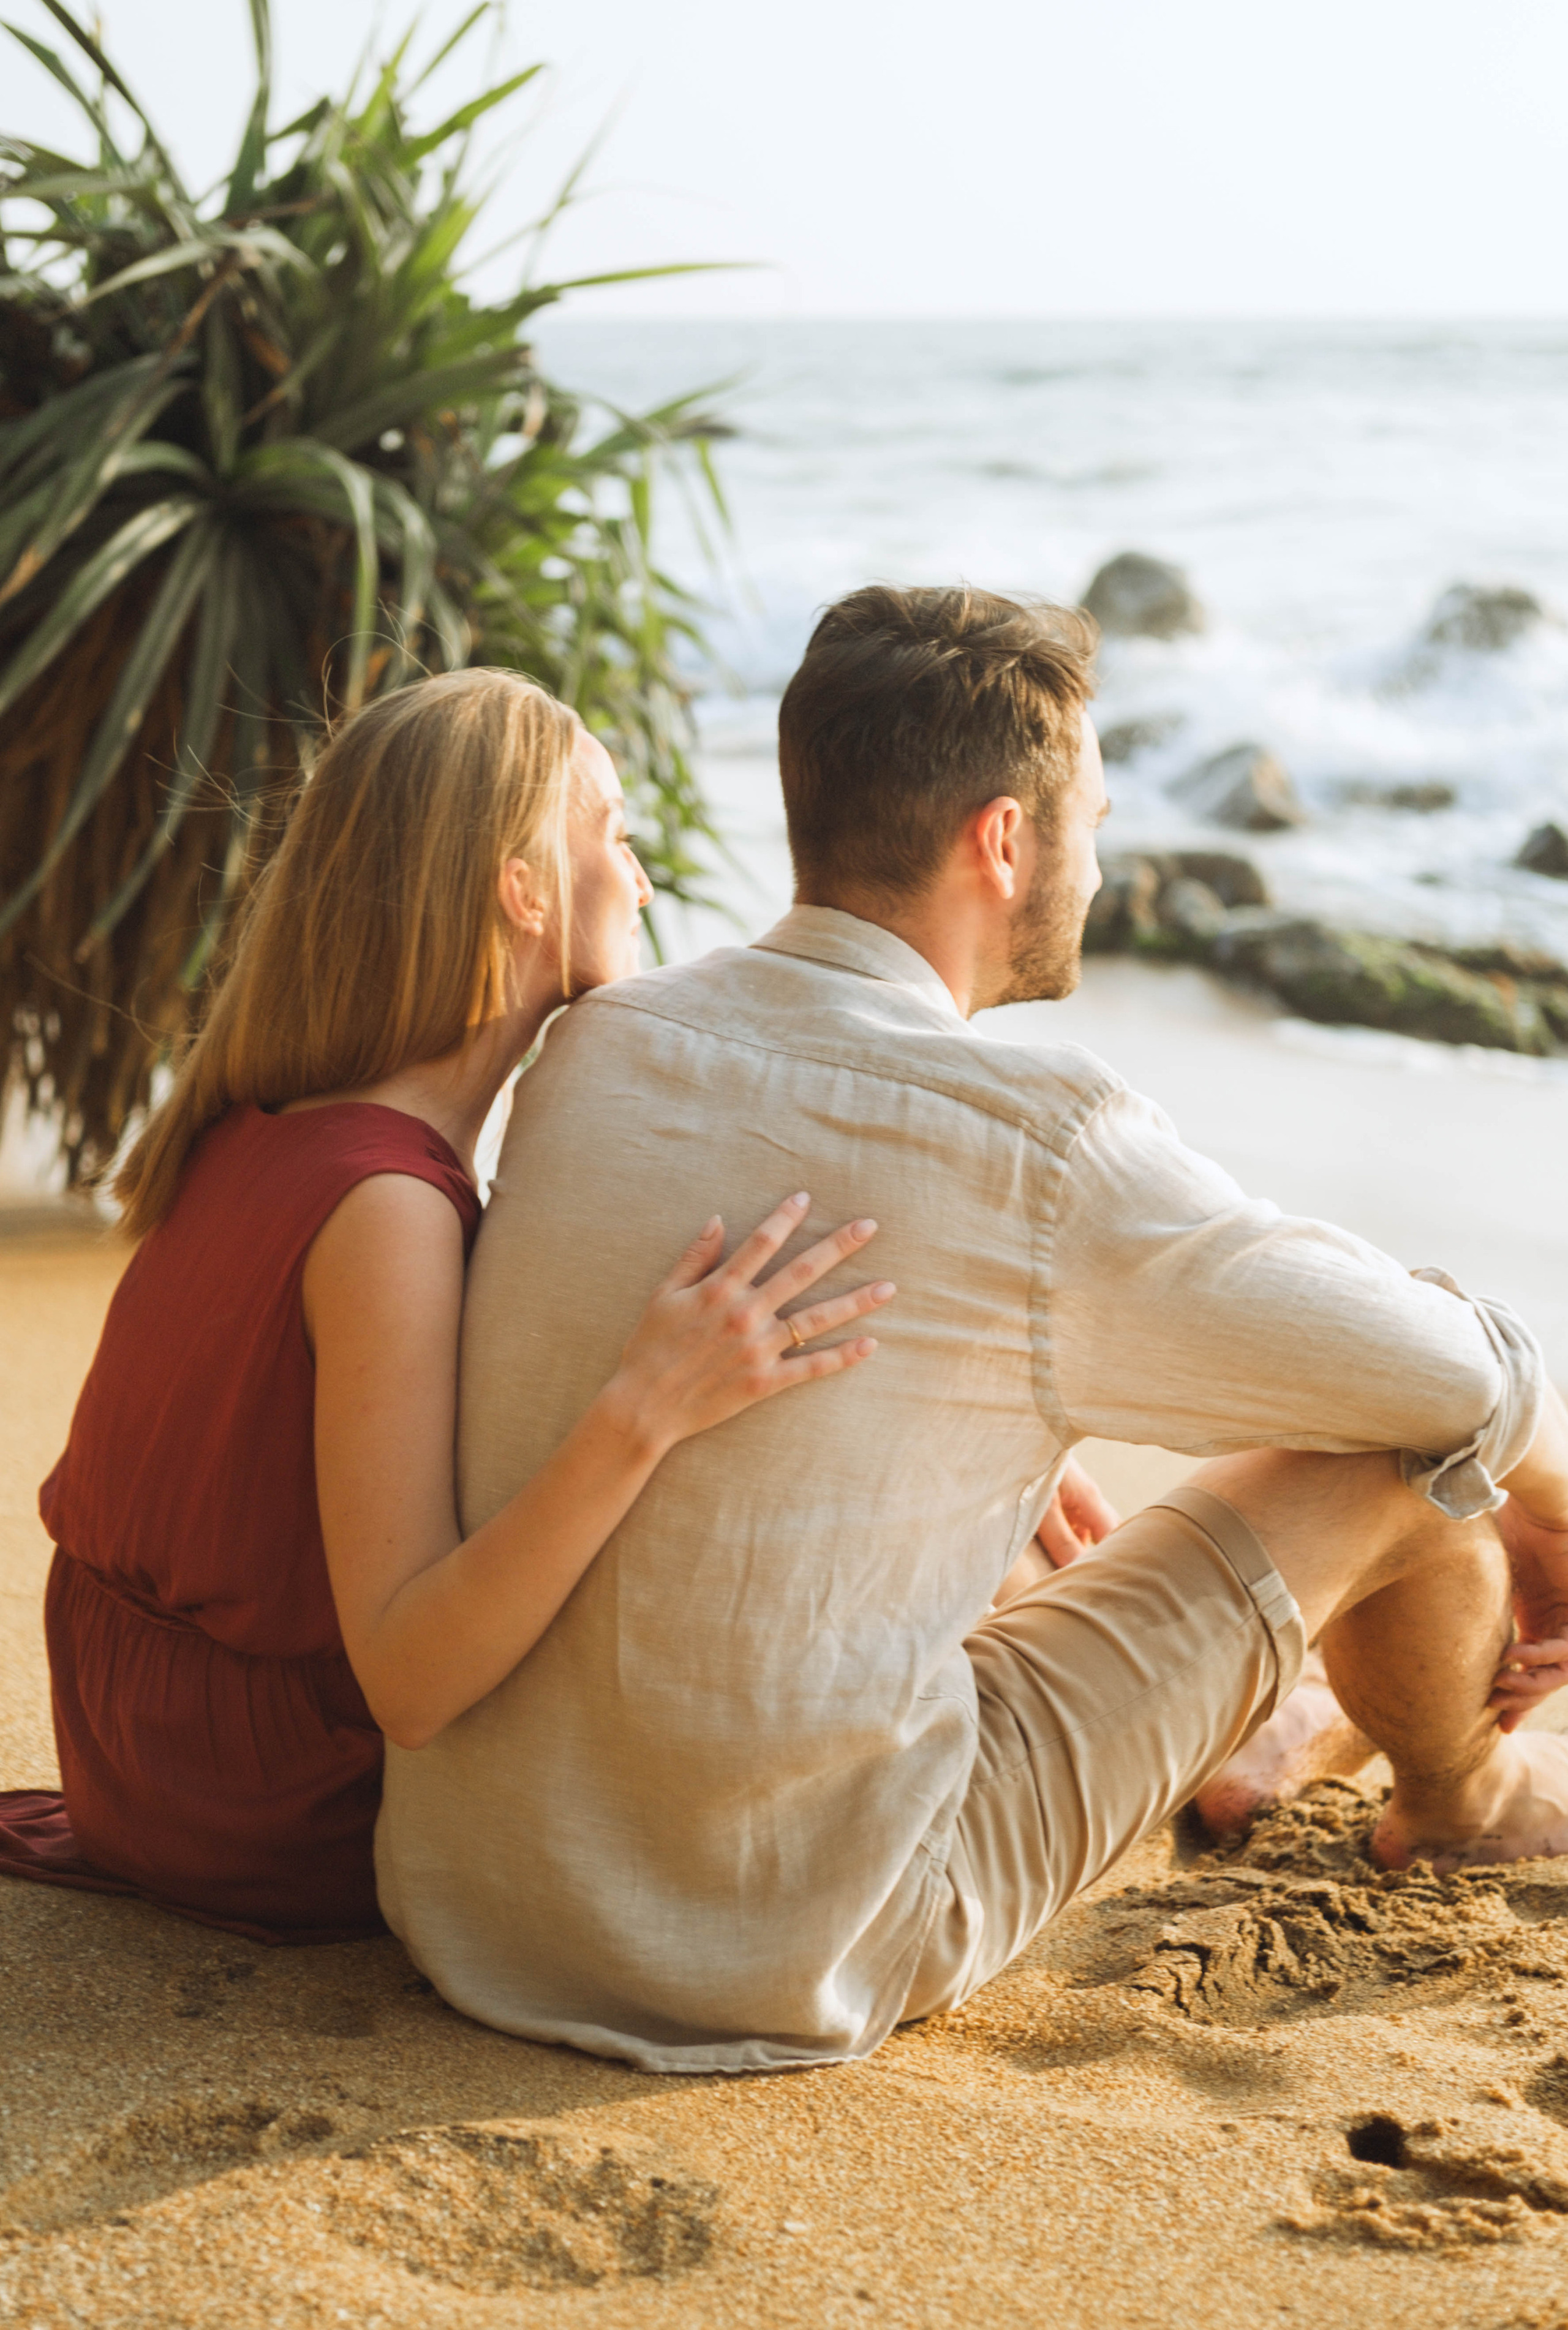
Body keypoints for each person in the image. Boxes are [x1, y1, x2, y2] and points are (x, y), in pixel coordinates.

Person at [377, 584, 1568, 2074]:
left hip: (480, 1904)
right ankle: (1466, 1799)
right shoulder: (1044, 1143)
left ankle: (1278, 1732)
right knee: (1400, 1461)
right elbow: (1452, 1380)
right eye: (1090, 813)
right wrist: (1546, 1508)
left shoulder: (590, 1048)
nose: (1099, 847)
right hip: (800, 1936)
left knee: (1014, 1486)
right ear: (1002, 841)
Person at [0, 668, 893, 1941]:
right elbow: (411, 1686)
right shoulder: (385, 1212)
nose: (641, 881)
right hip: (267, 1810)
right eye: (616, 835)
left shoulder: (263, 1128)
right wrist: (643, 1410)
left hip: (140, 1756)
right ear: (519, 888)